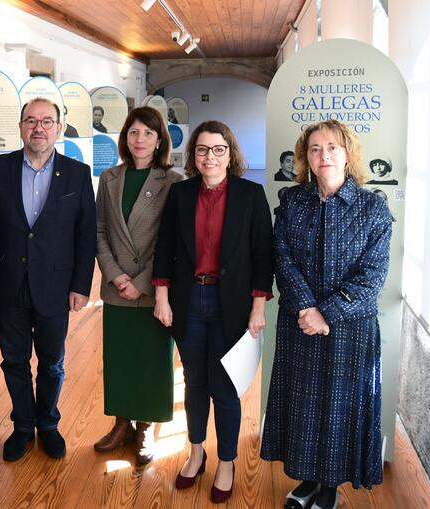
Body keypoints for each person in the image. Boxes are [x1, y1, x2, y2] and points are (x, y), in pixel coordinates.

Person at [261, 120, 391, 509]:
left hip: (350, 328)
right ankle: (307, 479)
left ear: (348, 153)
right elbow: (281, 257)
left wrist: (327, 314)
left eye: (332, 147)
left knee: (339, 406)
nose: (324, 155)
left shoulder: (373, 208)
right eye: (315, 149)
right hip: (299, 322)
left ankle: (331, 485)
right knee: (303, 404)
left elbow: (373, 276)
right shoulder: (291, 202)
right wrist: (306, 307)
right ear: (306, 158)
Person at [152, 120, 273, 503]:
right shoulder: (181, 193)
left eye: (218, 149)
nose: (210, 157)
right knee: (194, 383)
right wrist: (161, 296)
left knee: (225, 388)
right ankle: (196, 451)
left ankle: (226, 461)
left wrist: (257, 307)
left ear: (230, 153)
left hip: (232, 304)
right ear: (194, 156)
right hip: (190, 301)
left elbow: (262, 255)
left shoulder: (251, 195)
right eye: (202, 149)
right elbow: (165, 246)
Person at [0, 97, 96, 462]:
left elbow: (86, 234)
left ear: (59, 128)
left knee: (52, 363)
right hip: (9, 283)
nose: (39, 128)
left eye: (47, 121)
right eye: (31, 121)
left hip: (55, 285)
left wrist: (81, 285)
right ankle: (22, 425)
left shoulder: (77, 174)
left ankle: (47, 424)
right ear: (20, 127)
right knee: (13, 361)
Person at [93, 106, 183, 465]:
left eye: (147, 133)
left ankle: (145, 426)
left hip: (153, 289)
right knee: (119, 359)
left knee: (151, 360)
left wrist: (142, 281)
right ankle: (121, 423)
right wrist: (115, 275)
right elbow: (99, 231)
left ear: (159, 139)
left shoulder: (172, 181)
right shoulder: (109, 177)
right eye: (133, 132)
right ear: (124, 138)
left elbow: (173, 240)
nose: (140, 139)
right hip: (116, 287)